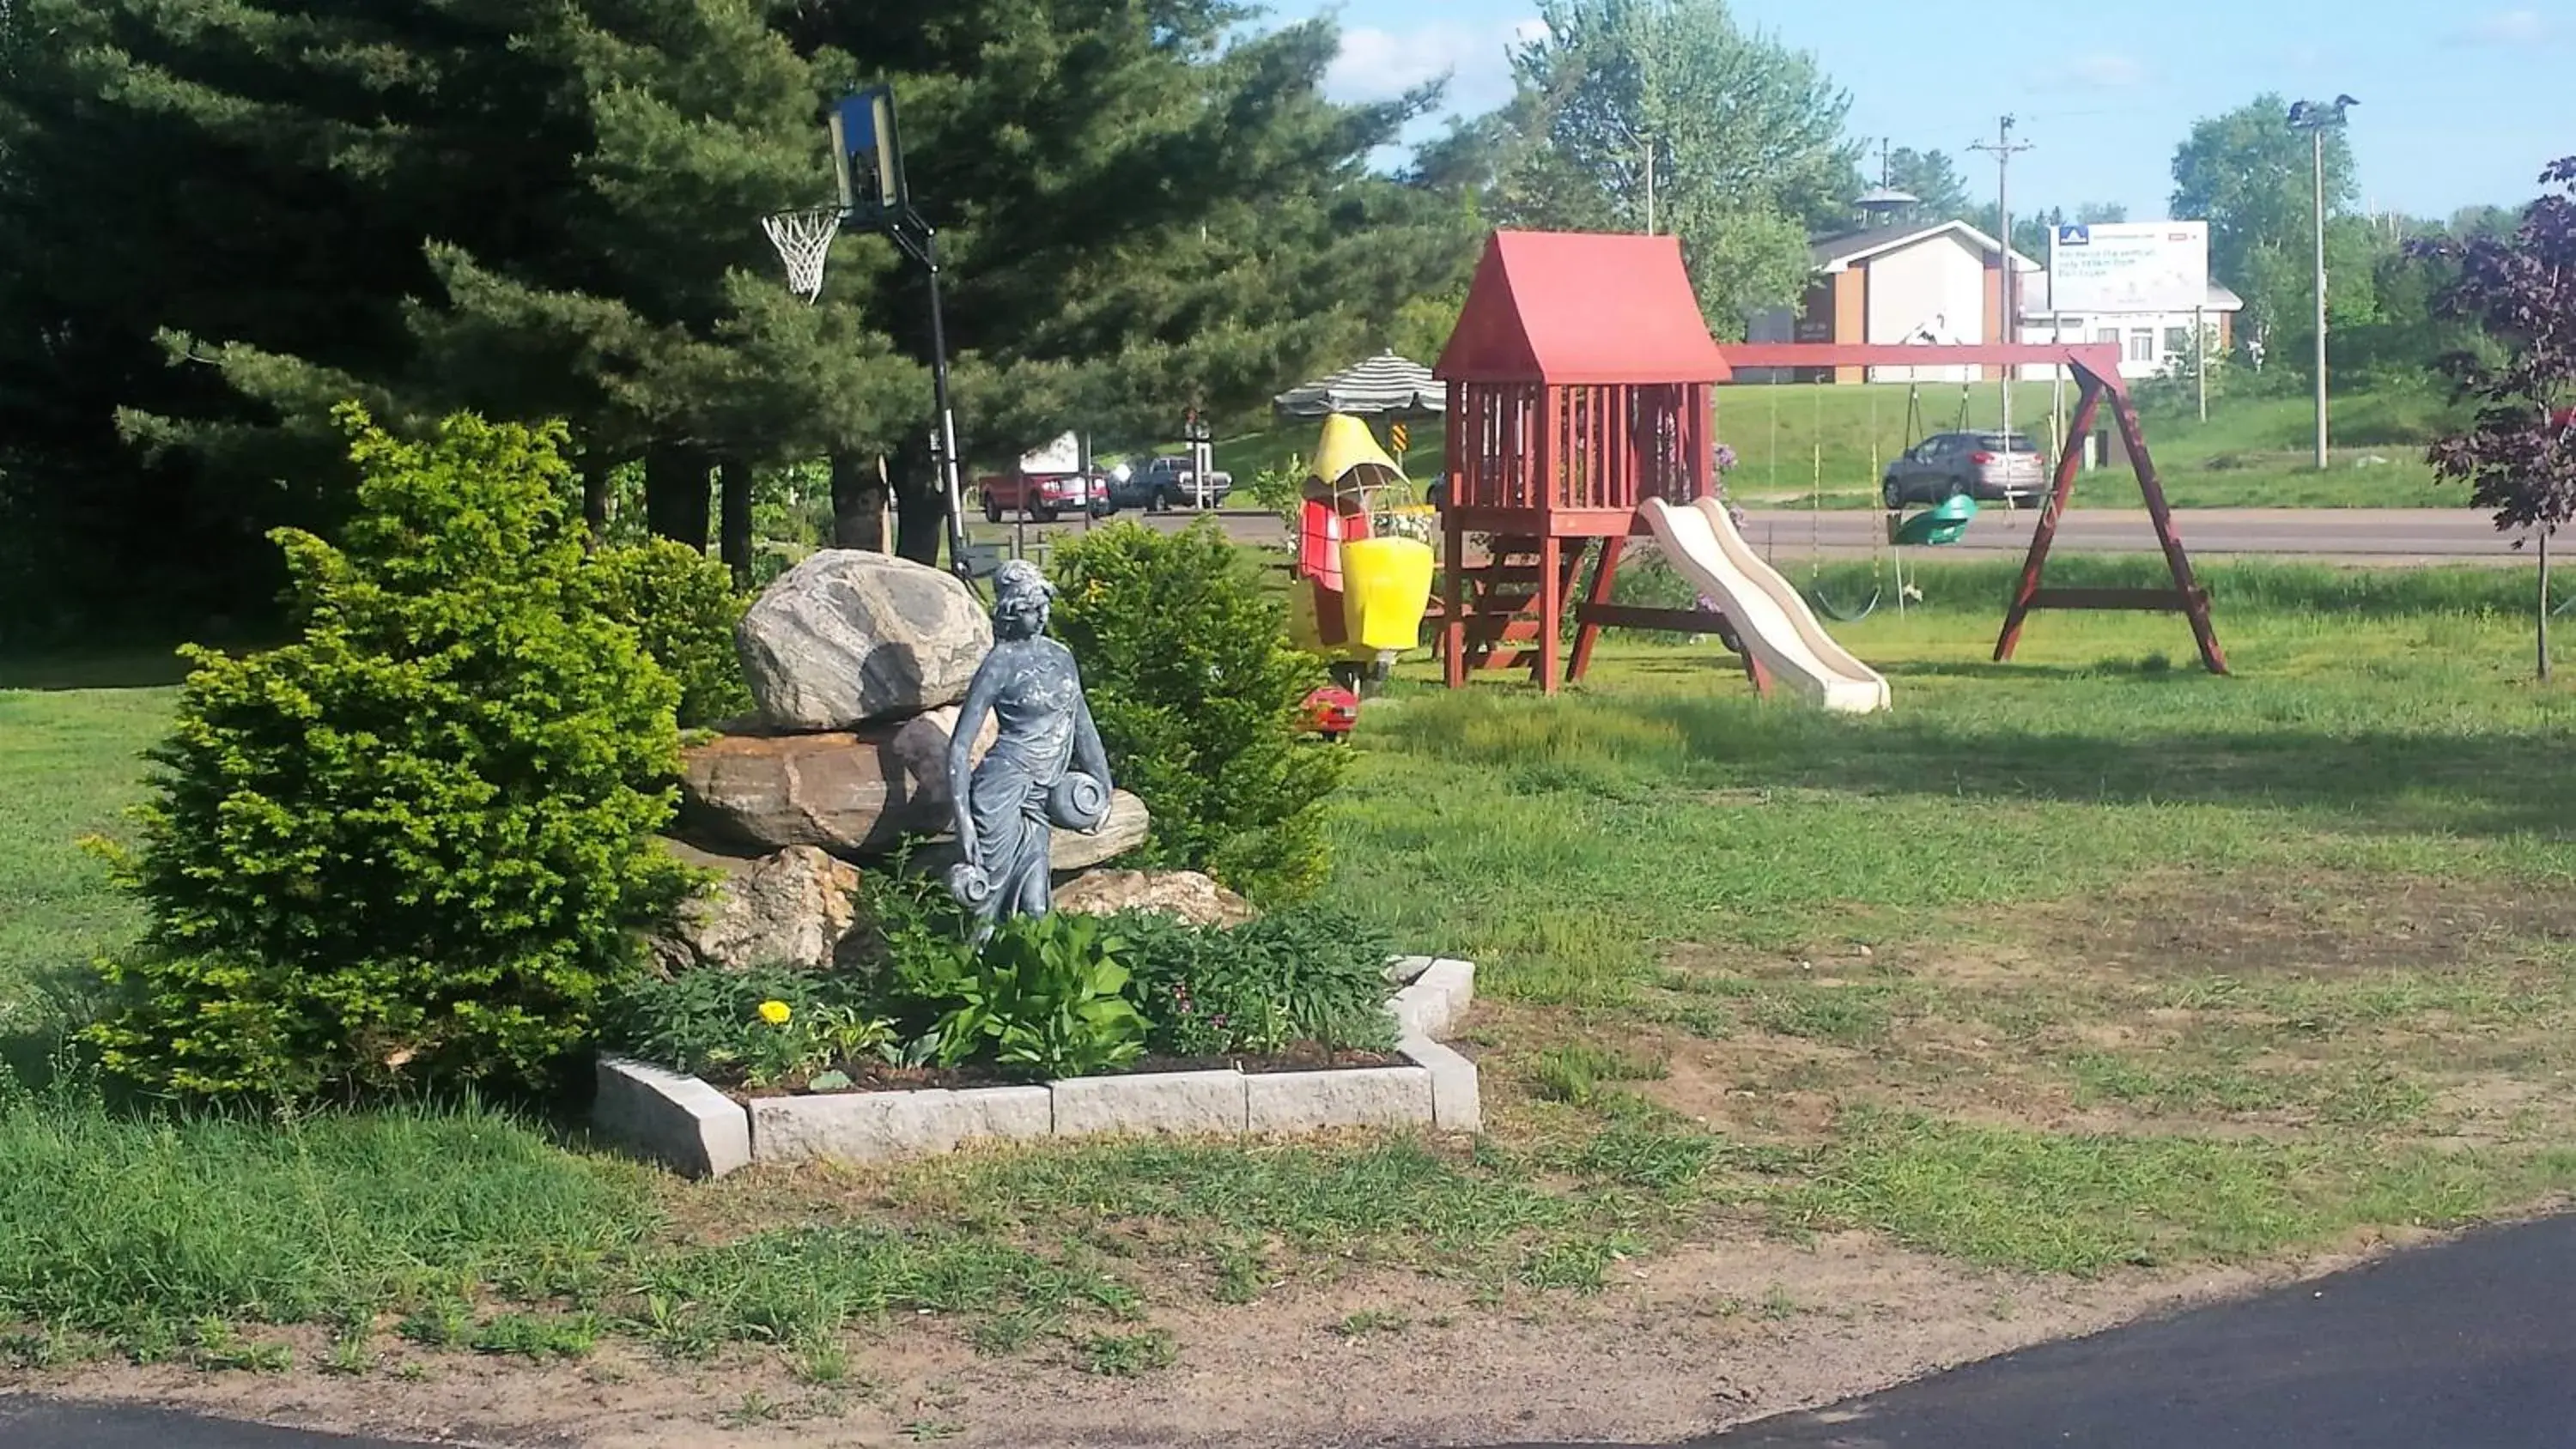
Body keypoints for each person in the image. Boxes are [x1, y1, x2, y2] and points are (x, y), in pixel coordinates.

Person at [945, 560, 1115, 932]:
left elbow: (1082, 725)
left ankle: (1031, 980)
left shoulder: (1061, 656)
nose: (1040, 616)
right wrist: (965, 824)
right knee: (984, 906)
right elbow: (959, 748)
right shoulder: (999, 664)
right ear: (1009, 612)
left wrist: (1105, 786)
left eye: (1043, 606)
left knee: (1036, 906)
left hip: (1043, 793)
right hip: (1002, 790)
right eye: (1028, 609)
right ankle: (970, 981)